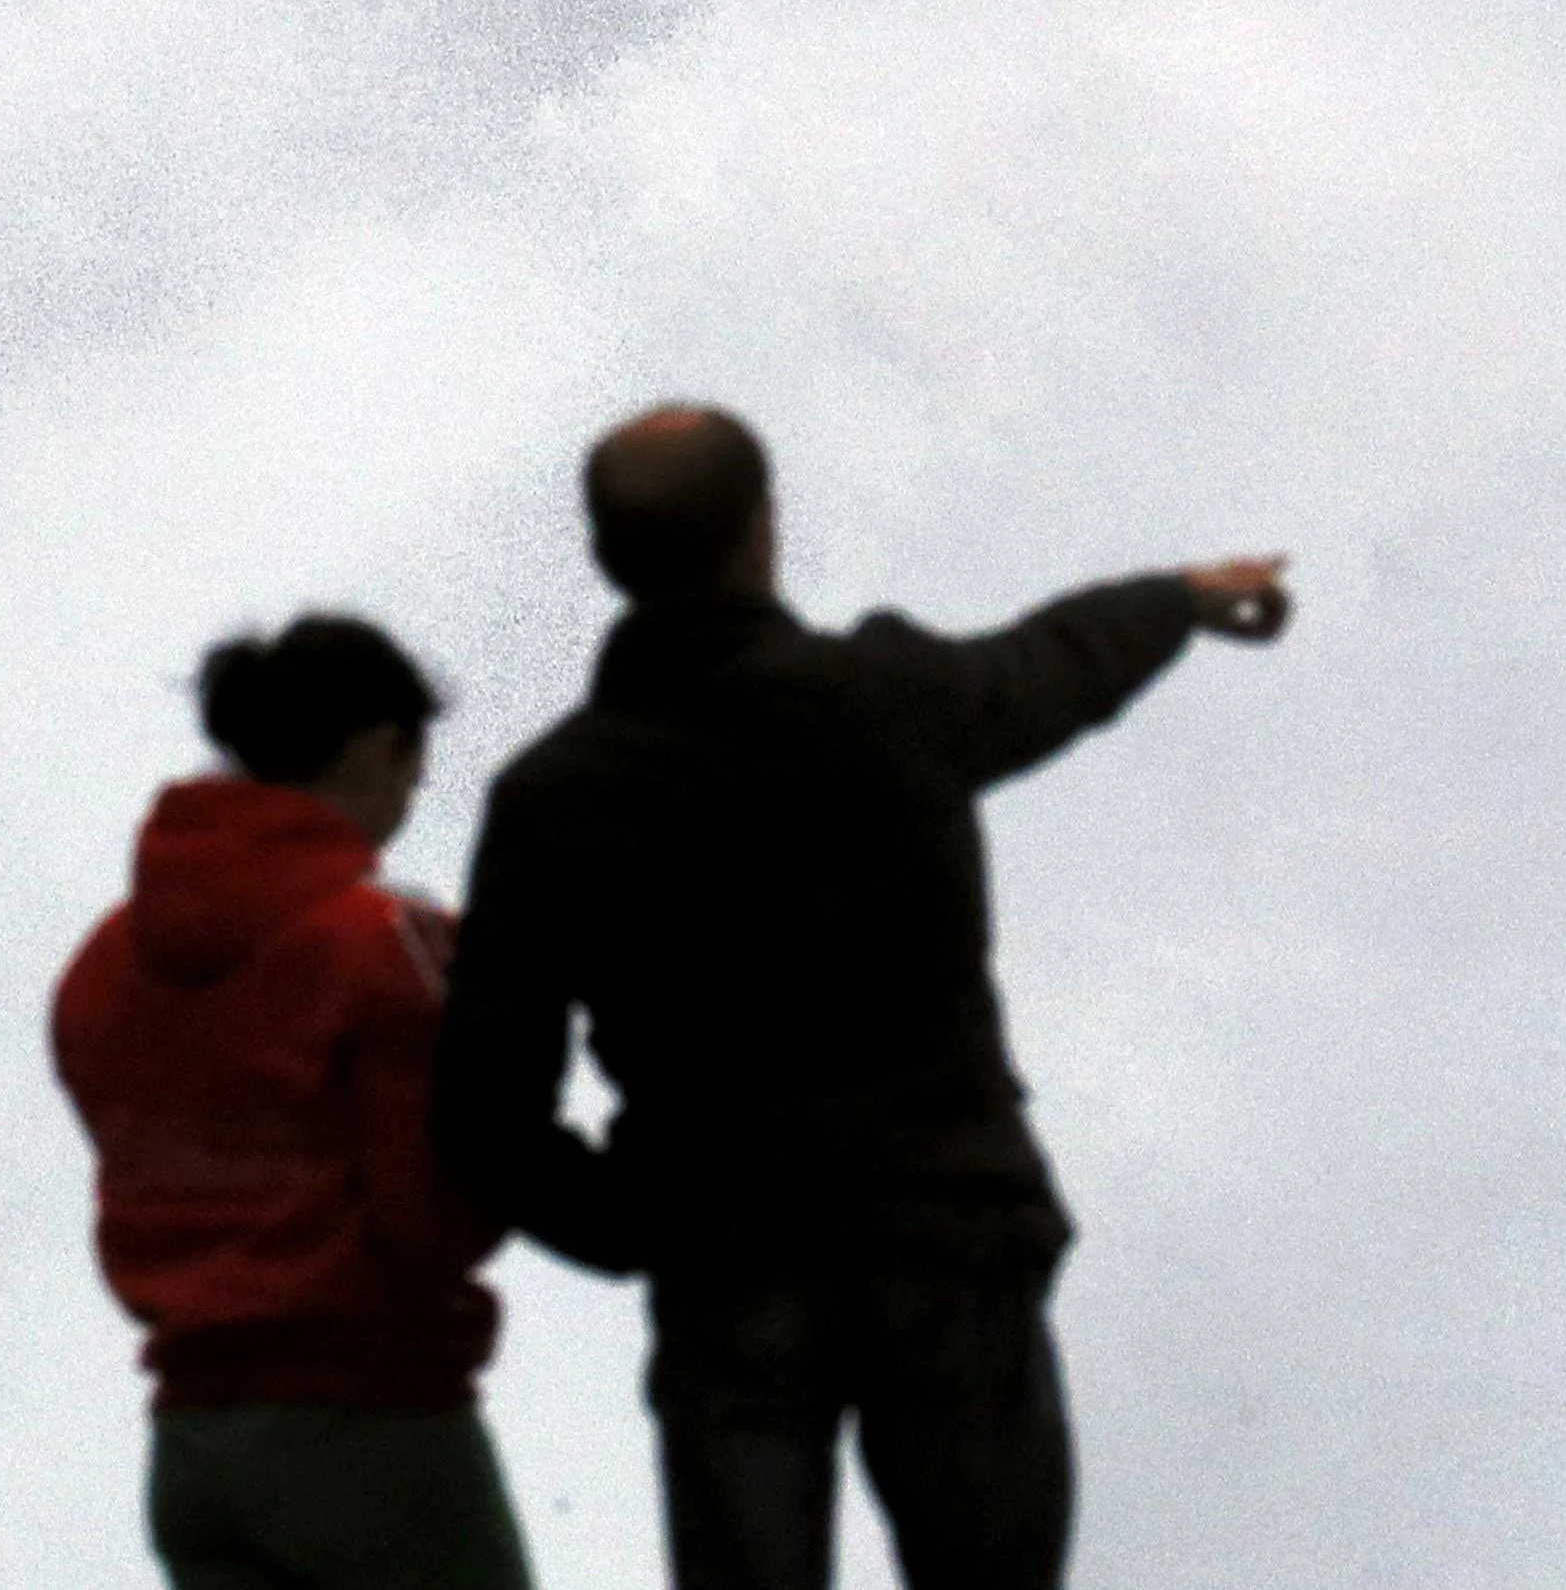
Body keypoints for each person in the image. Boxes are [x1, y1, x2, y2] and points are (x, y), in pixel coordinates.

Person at [434, 406, 1290, 1590]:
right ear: (760, 531)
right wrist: (1182, 600)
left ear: (604, 560)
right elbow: (1048, 668)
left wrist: (635, 1222)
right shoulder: (888, 700)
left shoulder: (552, 800)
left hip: (729, 1275)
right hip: (949, 1242)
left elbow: (486, 1112)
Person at [54, 613, 543, 1590]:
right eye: (415, 764)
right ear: (375, 748)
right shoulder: (381, 946)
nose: (414, 794)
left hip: (194, 1445)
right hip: (372, 1424)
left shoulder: (107, 962)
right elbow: (429, 1216)